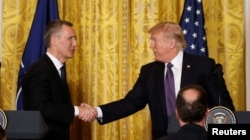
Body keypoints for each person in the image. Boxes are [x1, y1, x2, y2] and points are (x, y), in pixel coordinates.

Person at [79, 22, 235, 139]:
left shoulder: (203, 66)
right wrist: (96, 111)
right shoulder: (149, 72)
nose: (150, 46)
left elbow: (224, 108)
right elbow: (130, 103)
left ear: (172, 43)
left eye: (154, 40)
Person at [22, 20, 96, 140]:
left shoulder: (58, 69)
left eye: (75, 39)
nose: (75, 44)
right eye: (71, 38)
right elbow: (40, 107)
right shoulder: (40, 69)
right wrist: (77, 110)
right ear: (54, 41)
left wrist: (79, 110)